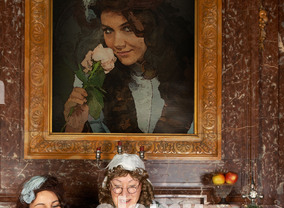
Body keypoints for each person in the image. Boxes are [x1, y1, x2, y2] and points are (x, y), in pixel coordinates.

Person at [63, 0, 194, 134]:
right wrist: (75, 126)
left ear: (153, 27)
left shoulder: (193, 76)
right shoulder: (92, 78)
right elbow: (82, 148)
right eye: (108, 30)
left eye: (128, 28)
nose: (117, 43)